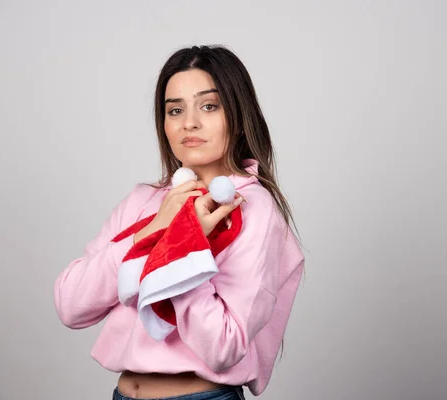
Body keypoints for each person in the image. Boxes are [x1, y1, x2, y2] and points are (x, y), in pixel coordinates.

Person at [53, 44, 305, 400]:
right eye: (175, 110)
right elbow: (71, 306)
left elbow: (224, 348)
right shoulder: (144, 201)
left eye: (209, 106)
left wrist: (183, 248)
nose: (190, 123)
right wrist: (154, 229)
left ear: (237, 116)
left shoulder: (253, 208)